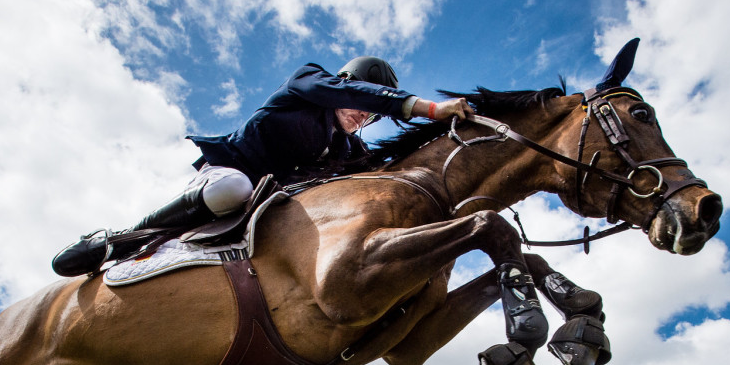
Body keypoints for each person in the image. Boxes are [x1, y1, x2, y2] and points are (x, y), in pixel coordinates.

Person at [53, 57, 474, 277]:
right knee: (231, 189)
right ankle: (121, 240)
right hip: (228, 173)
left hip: (269, 204)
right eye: (362, 102)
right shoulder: (307, 82)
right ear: (347, 87)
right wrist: (431, 109)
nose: (363, 115)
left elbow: (390, 172)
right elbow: (359, 94)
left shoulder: (347, 147)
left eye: (370, 115)